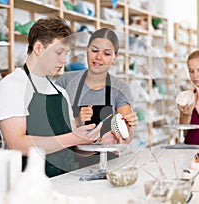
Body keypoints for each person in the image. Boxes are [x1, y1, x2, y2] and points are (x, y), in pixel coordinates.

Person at [0, 16, 103, 178]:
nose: (64, 60)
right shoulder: (12, 86)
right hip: (28, 187)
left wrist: (99, 142)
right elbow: (17, 144)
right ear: (38, 48)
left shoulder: (60, 92)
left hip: (66, 181)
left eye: (66, 54)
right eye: (58, 52)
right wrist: (73, 138)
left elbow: (70, 146)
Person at [56, 28, 138, 167]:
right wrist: (77, 121)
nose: (98, 57)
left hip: (107, 164)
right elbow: (53, 127)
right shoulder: (65, 81)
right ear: (87, 50)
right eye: (94, 51)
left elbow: (126, 134)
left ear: (115, 57)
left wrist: (125, 130)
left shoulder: (120, 88)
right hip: (68, 165)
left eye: (106, 53)